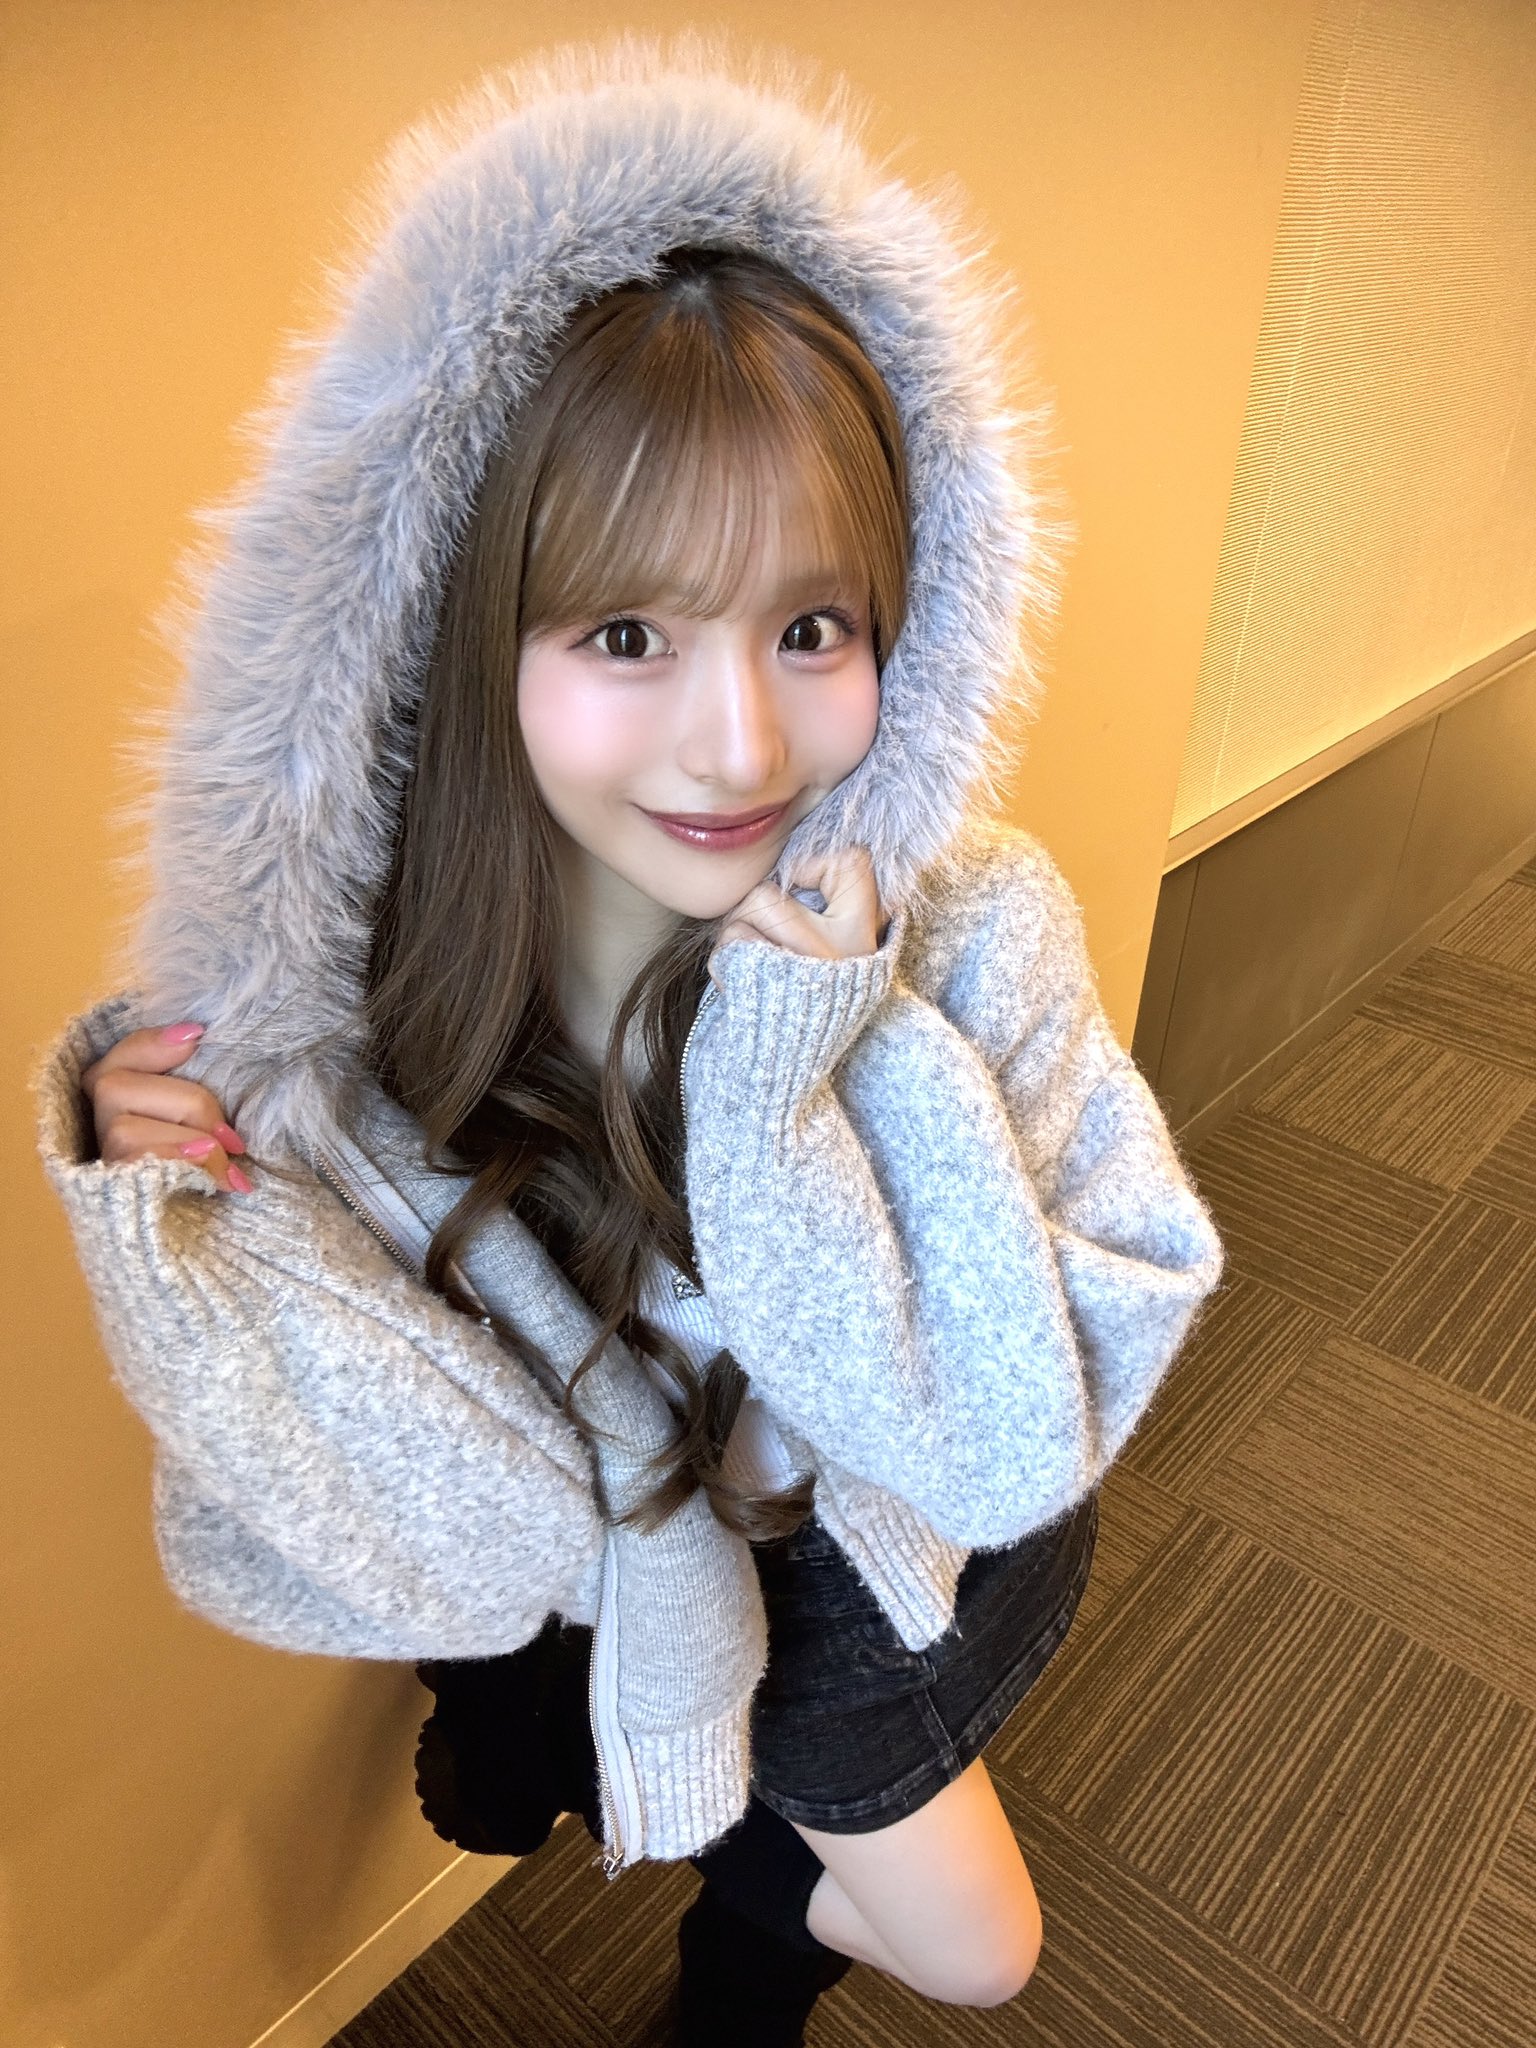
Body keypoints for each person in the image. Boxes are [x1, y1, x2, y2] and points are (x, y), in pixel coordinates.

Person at [31, 33, 1226, 2046]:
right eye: (627, 635)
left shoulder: (966, 930)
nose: (741, 743)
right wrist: (159, 1192)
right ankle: (554, 1755)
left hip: (847, 1551)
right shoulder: (354, 1019)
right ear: (474, 631)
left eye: (812, 629)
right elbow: (332, 1480)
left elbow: (1013, 1420)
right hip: (581, 1552)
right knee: (542, 1708)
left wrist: (778, 1075)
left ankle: (712, 1921)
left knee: (957, 1941)